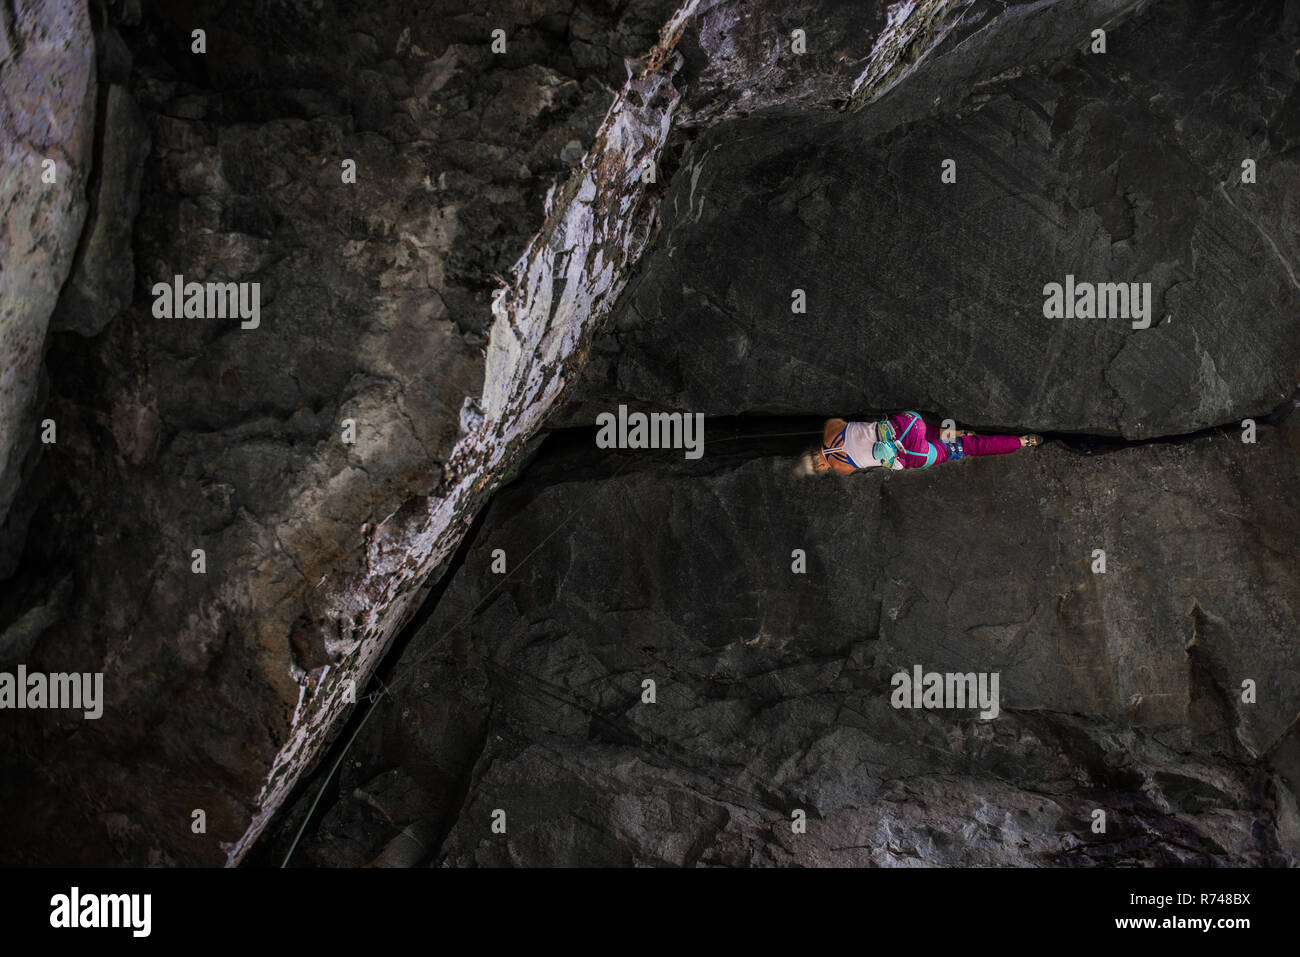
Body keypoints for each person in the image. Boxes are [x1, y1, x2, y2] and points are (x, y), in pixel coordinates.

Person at [797, 410, 1042, 476]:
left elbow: (863, 461)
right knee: (930, 431)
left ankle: (1022, 442)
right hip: (909, 424)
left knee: (968, 449)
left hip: (915, 455)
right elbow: (843, 423)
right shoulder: (831, 428)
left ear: (820, 467)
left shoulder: (841, 468)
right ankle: (958, 432)